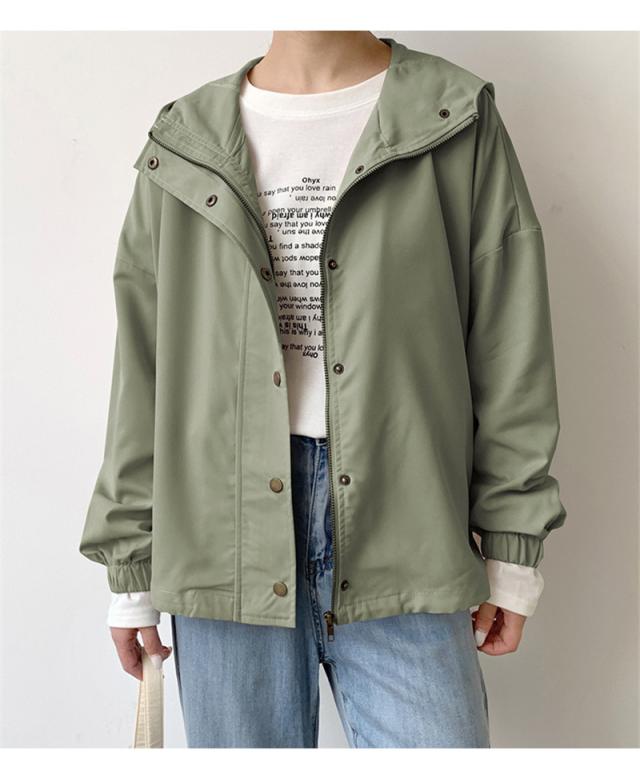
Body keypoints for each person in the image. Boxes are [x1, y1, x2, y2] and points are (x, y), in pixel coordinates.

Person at [79, 31, 566, 747]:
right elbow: (145, 367)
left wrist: (513, 545)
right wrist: (132, 569)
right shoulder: (186, 137)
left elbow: (509, 339)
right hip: (222, 536)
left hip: (409, 522)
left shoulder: (452, 113)